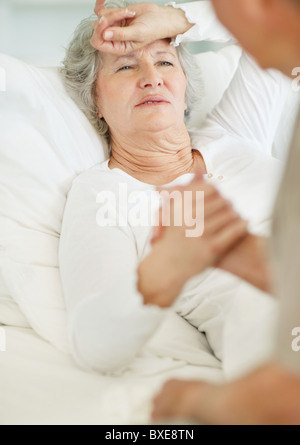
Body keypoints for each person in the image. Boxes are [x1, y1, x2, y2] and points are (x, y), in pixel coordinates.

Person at [92, 0, 300, 423]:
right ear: (94, 99)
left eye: (166, 61)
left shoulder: (235, 131)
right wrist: (162, 274)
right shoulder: (103, 192)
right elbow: (95, 336)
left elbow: (282, 38)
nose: (151, 79)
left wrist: (179, 19)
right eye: (126, 67)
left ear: (186, 83)